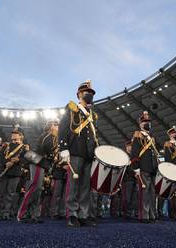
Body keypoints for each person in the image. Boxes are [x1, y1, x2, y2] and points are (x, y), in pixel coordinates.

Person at [59, 80, 99, 228]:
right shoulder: (72, 108)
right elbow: (63, 128)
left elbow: (93, 136)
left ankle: (83, 214)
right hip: (75, 150)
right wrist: (63, 148)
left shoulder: (92, 115)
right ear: (79, 94)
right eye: (87, 93)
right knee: (73, 185)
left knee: (85, 187)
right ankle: (72, 215)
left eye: (91, 93)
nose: (90, 95)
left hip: (88, 153)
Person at [17, 118, 59, 223]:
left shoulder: (50, 136)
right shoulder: (48, 135)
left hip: (40, 163)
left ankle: (34, 215)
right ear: (52, 126)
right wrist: (54, 154)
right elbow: (47, 148)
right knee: (34, 189)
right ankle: (22, 214)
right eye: (57, 125)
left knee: (38, 190)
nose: (58, 128)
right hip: (37, 163)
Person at [130, 111, 159, 223]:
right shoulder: (138, 135)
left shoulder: (151, 137)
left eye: (148, 122)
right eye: (144, 122)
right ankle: (144, 215)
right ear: (140, 124)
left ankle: (151, 214)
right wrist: (136, 167)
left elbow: (154, 153)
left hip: (152, 167)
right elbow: (134, 152)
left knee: (152, 193)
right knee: (144, 192)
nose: (147, 123)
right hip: (143, 166)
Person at [0, 126, 28, 221]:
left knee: (10, 194)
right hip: (3, 171)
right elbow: (0, 157)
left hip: (15, 172)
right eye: (13, 133)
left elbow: (25, 160)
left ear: (21, 136)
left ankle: (6, 213)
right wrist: (6, 163)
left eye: (16, 133)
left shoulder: (24, 148)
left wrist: (18, 160)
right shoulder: (5, 145)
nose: (13, 134)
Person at [121, 140, 138, 219]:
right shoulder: (124, 156)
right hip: (127, 179)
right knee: (126, 198)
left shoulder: (133, 156)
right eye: (130, 146)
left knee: (133, 197)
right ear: (127, 146)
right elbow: (127, 167)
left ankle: (130, 212)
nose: (131, 147)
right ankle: (125, 213)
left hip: (134, 179)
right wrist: (134, 173)